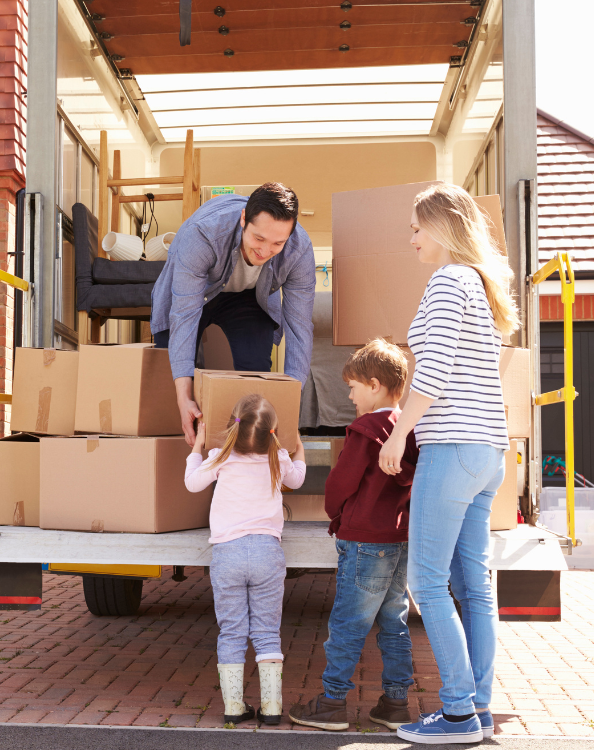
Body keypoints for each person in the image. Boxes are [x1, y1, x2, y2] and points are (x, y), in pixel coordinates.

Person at [379, 183, 519, 744]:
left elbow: (432, 374)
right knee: (473, 587)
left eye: (416, 227)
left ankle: (458, 713)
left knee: (427, 582)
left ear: (441, 225)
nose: (411, 238)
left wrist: (398, 436)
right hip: (487, 454)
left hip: (453, 448)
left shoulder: (446, 282)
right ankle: (477, 709)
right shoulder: (479, 287)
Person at [288, 339, 419, 732]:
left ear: (374, 386)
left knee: (347, 623)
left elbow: (340, 483)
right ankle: (395, 704)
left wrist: (336, 514)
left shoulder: (365, 430)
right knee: (394, 623)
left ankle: (331, 703)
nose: (349, 394)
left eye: (353, 387)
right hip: (399, 540)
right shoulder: (408, 429)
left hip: (364, 541)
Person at [151, 183, 316, 446]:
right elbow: (184, 315)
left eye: (277, 243)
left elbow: (299, 327)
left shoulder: (299, 249)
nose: (264, 251)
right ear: (243, 219)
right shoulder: (203, 234)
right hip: (195, 293)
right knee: (170, 382)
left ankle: (245, 458)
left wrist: (288, 406)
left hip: (248, 297)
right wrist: (183, 397)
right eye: (259, 239)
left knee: (255, 371)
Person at [183, 394, 306, 726]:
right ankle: (271, 707)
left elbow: (192, 483)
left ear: (231, 427)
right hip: (268, 553)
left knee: (232, 631)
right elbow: (298, 479)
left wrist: (197, 448)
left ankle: (234, 707)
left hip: (228, 554)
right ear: (274, 431)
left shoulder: (220, 457)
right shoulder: (277, 459)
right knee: (267, 631)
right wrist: (298, 448)